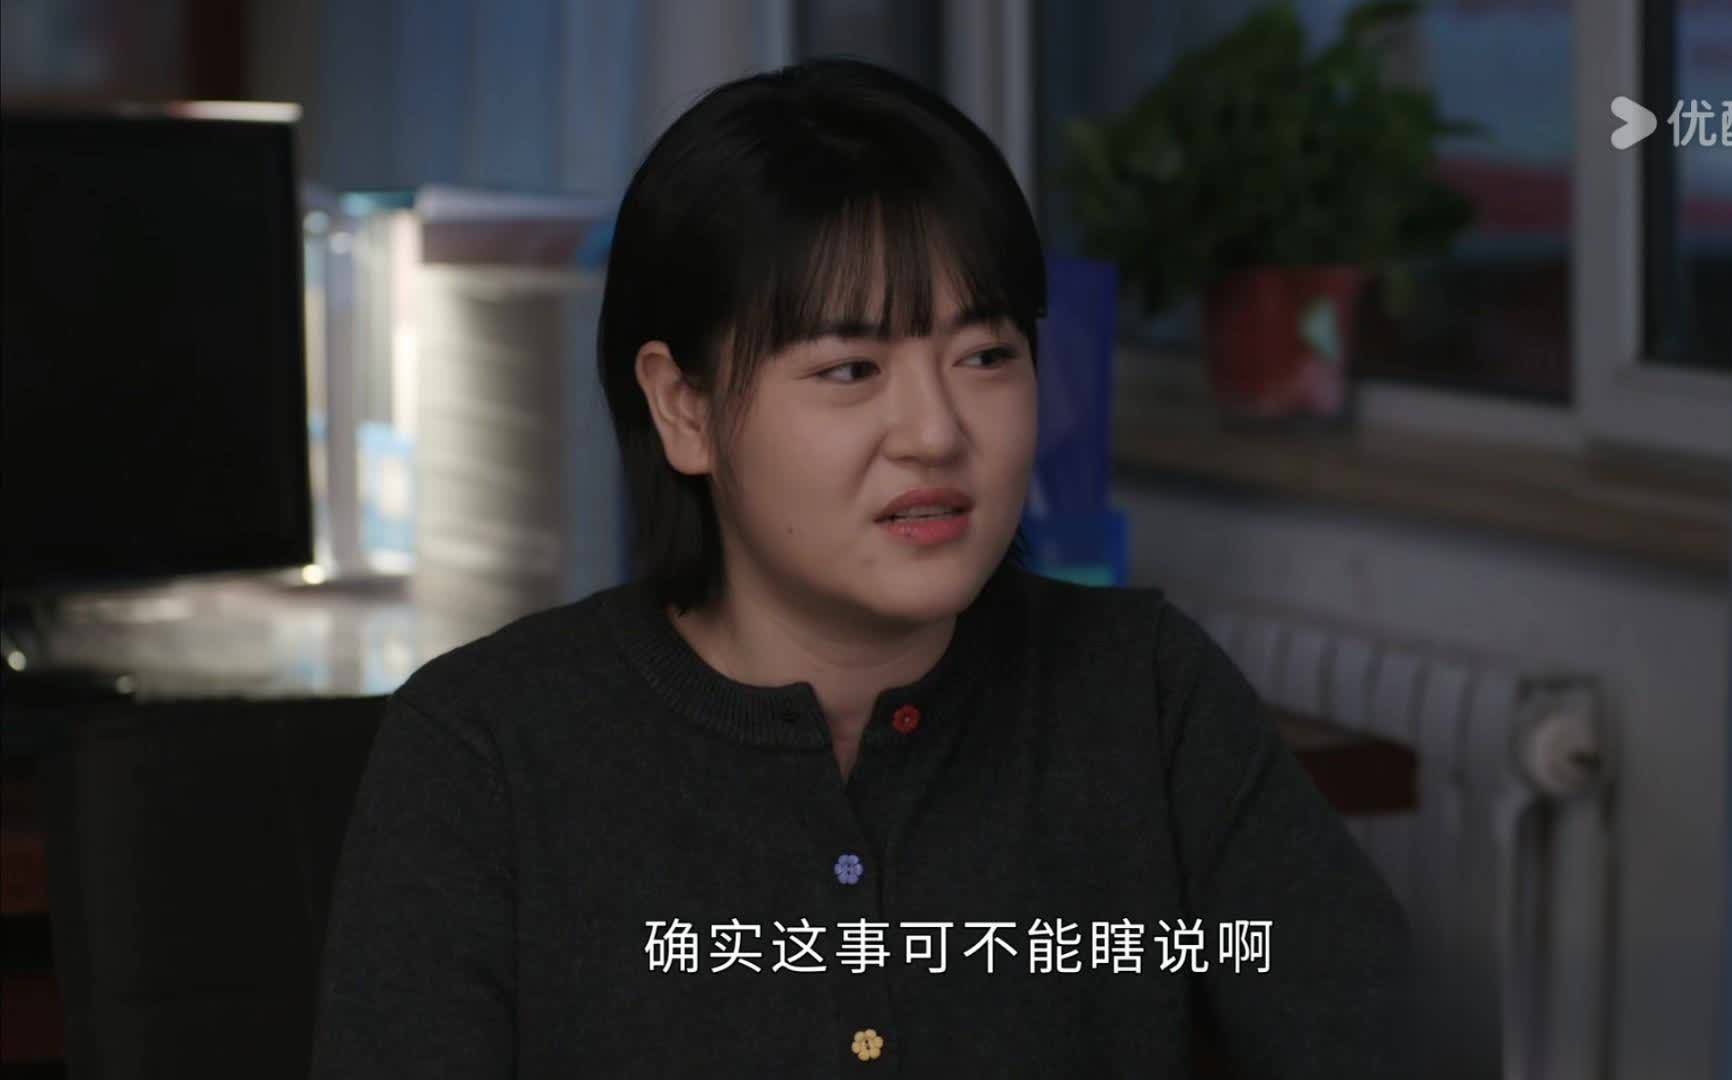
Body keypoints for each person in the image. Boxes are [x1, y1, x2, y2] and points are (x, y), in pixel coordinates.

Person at [309, 57, 1408, 1078]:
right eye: (850, 368)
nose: (936, 431)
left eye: (986, 355)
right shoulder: (485, 749)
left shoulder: (1147, 694)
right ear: (684, 408)